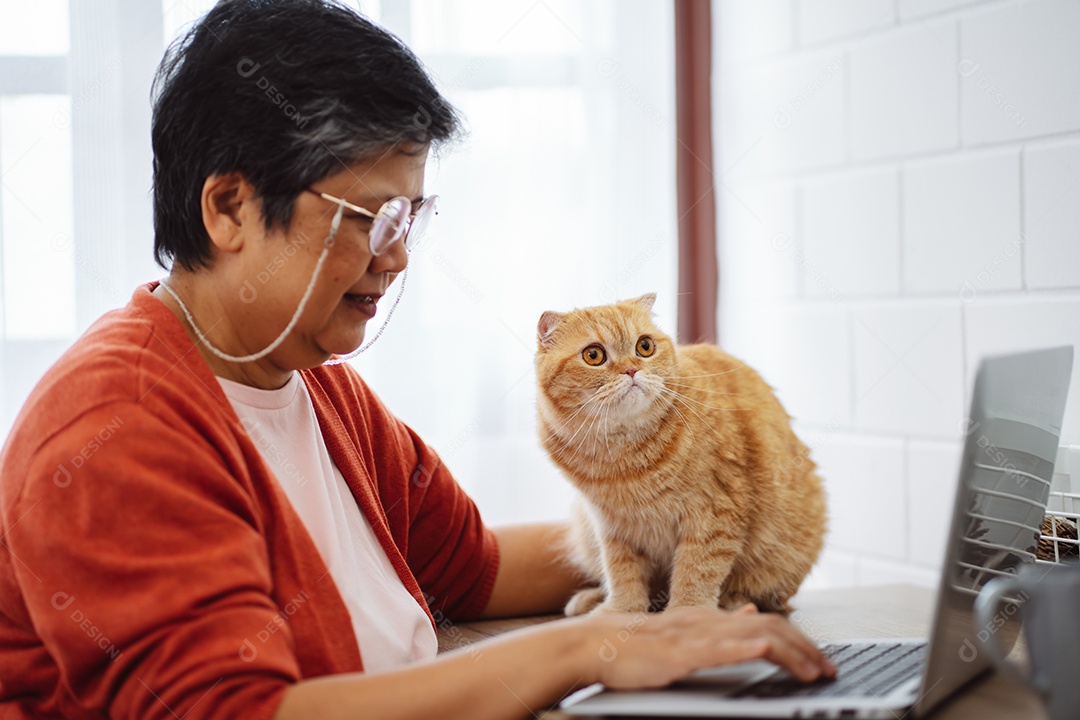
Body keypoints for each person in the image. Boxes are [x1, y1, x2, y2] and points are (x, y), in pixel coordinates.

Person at [0, 1, 835, 718]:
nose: (397, 257)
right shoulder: (117, 425)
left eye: (410, 218)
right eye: (369, 217)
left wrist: (697, 521)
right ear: (229, 207)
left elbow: (474, 567)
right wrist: (593, 647)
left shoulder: (322, 391)